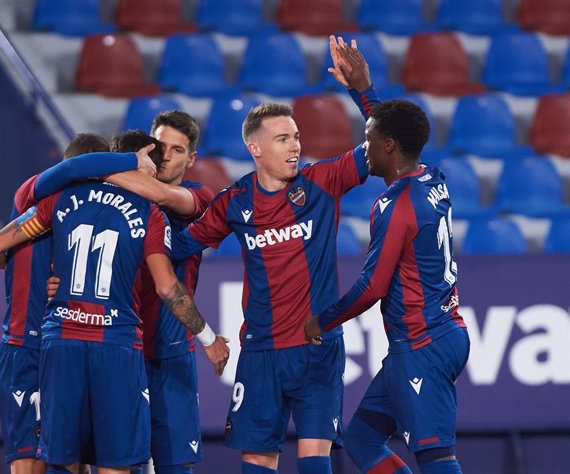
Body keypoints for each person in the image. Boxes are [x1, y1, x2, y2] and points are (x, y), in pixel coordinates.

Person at [167, 37, 379, 474]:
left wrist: (363, 91)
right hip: (261, 353)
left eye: (297, 137)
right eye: (283, 139)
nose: (295, 146)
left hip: (318, 348)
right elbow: (177, 247)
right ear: (256, 149)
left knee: (315, 458)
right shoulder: (233, 202)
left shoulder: (322, 181)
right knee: (259, 460)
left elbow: (387, 142)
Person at [0, 135, 229, 474]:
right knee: (116, 462)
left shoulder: (55, 202)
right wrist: (209, 338)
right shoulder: (150, 214)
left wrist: (37, 281)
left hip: (58, 340)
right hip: (116, 344)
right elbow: (167, 286)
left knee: (59, 458)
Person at [304, 100, 470, 474]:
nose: (364, 149)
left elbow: (372, 286)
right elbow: (399, 126)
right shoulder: (433, 178)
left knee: (436, 458)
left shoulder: (394, 205)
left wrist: (322, 321)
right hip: (434, 336)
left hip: (422, 344)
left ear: (389, 145)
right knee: (362, 438)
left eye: (368, 140)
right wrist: (362, 91)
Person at [49, 115, 221, 474]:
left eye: (177, 150)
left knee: (174, 465)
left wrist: (86, 170)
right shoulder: (102, 206)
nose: (165, 158)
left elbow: (157, 193)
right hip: (120, 346)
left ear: (191, 159)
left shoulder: (198, 198)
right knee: (110, 460)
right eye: (159, 148)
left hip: (170, 353)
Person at [0, 132, 157, 474]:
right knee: (32, 463)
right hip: (26, 343)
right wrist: (132, 161)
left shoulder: (75, 210)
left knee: (71, 456)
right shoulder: (32, 196)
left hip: (62, 342)